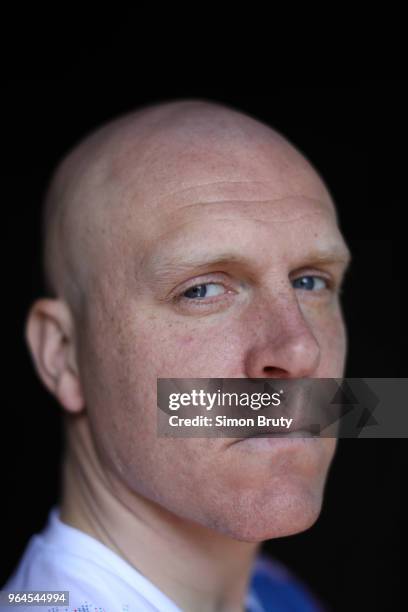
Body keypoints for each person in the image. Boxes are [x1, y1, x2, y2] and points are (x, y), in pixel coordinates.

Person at [2, 98, 351, 611]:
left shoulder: (277, 593)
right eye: (201, 291)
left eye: (310, 281)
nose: (299, 349)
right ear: (63, 354)